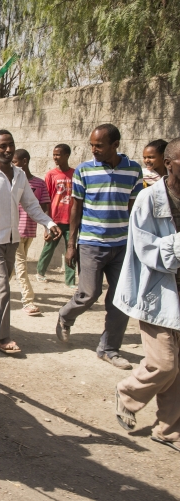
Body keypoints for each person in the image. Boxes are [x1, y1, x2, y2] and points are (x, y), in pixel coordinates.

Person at [0, 130, 61, 355]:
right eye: (2, 147)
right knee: (2, 284)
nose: (7, 150)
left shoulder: (19, 176)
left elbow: (31, 204)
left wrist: (48, 222)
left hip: (11, 239)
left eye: (10, 145)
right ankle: (3, 337)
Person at [113, 137, 180, 453]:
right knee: (165, 363)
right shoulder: (149, 200)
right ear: (169, 163)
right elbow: (148, 251)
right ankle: (128, 392)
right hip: (157, 293)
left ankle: (169, 429)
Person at [57, 124, 143, 369]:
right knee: (89, 294)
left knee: (120, 300)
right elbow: (76, 208)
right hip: (91, 244)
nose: (93, 150)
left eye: (99, 146)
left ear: (115, 145)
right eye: (91, 145)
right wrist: (71, 244)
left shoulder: (134, 170)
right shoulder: (84, 171)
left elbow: (134, 209)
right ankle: (65, 314)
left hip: (122, 245)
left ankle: (108, 349)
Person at [11, 149, 50, 316]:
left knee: (15, 267)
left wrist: (48, 226)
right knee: (21, 266)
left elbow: (45, 206)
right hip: (15, 230)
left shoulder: (39, 184)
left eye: (15, 162)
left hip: (30, 230)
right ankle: (28, 300)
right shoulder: (12, 182)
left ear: (24, 161)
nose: (13, 165)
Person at [36, 144, 77, 288]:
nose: (55, 157)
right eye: (54, 154)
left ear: (67, 155)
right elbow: (46, 200)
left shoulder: (75, 174)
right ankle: (40, 272)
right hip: (55, 219)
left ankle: (70, 281)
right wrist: (47, 224)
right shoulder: (51, 175)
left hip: (71, 220)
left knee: (71, 249)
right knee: (48, 248)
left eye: (58, 154)